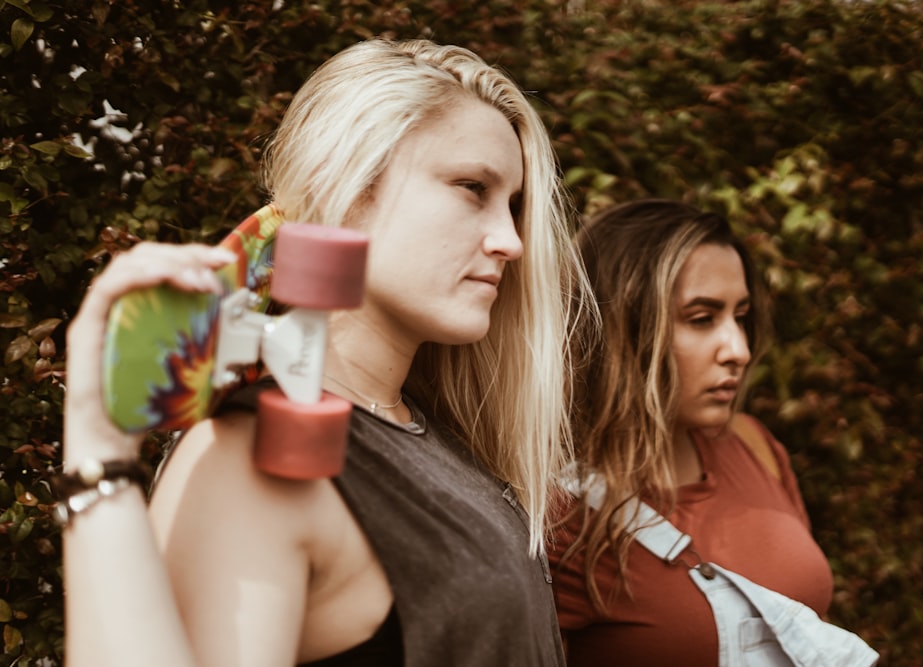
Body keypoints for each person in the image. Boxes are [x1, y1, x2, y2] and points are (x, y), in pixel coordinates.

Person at [60, 39, 596, 667]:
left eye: (514, 205)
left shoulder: (433, 436)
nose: (511, 241)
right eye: (471, 187)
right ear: (344, 189)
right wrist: (95, 456)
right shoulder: (256, 451)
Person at [548, 199, 878, 666]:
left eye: (740, 316)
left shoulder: (752, 444)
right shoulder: (560, 517)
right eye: (702, 319)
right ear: (620, 328)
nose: (738, 350)